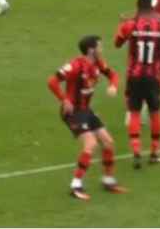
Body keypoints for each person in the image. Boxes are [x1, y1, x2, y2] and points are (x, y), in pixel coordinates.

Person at [47, 35, 127, 200]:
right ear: (91, 49)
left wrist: (113, 86)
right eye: (99, 46)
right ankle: (75, 186)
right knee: (91, 144)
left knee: (108, 142)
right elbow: (52, 81)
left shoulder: (98, 62)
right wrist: (64, 99)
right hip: (72, 112)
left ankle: (108, 180)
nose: (102, 49)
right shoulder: (75, 65)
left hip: (86, 110)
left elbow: (113, 75)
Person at [115, 0, 160, 168]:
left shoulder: (130, 25)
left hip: (134, 76)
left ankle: (136, 151)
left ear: (137, 8)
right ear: (152, 9)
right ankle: (155, 152)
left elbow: (117, 43)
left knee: (134, 112)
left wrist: (122, 25)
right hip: (153, 76)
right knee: (155, 112)